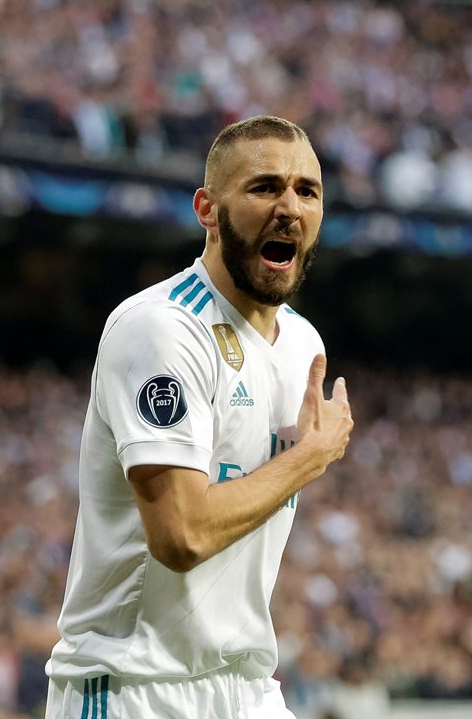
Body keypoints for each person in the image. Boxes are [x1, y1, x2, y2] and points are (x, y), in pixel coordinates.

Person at [44, 115, 353, 718]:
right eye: (265, 187)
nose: (289, 206)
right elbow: (181, 536)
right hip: (136, 686)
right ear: (207, 210)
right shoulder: (162, 328)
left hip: (247, 686)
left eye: (307, 190)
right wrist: (309, 457)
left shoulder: (301, 344)